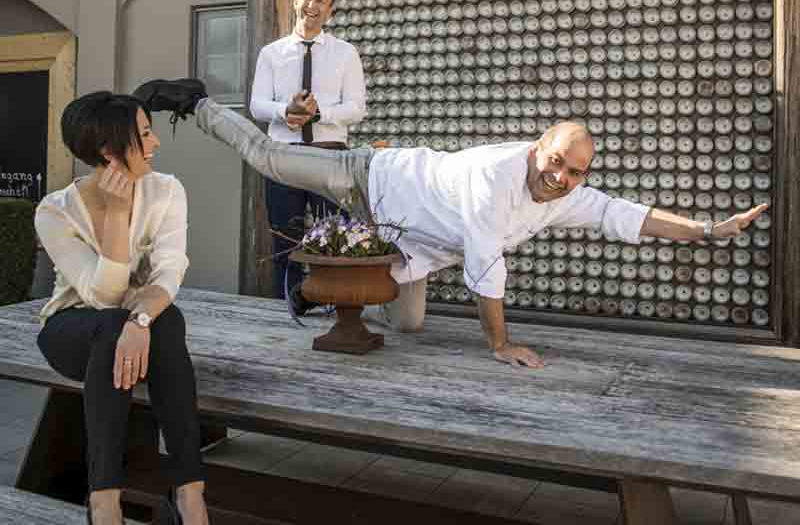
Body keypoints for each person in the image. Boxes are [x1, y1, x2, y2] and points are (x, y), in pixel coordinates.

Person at [133, 79, 767, 370]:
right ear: (538, 147)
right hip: (368, 179)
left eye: (576, 173)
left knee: (406, 322)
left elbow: (628, 216)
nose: (563, 179)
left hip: (408, 236)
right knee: (270, 158)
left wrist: (707, 230)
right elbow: (486, 267)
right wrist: (498, 344)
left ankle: (320, 298)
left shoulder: (566, 192)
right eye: (555, 162)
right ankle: (195, 101)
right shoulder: (497, 179)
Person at [35, 91, 209, 525]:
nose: (156, 144)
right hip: (71, 329)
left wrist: (142, 317)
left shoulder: (167, 191)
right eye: (145, 134)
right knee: (118, 323)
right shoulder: (55, 212)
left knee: (166, 321)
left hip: (133, 325)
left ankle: (189, 495)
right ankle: (109, 501)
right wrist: (115, 214)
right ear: (109, 150)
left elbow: (169, 275)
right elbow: (101, 297)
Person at [249, 0, 366, 309]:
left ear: (329, 10)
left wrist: (317, 115)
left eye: (320, 1)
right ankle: (287, 308)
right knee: (284, 238)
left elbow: (357, 108)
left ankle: (338, 307)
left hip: (330, 156)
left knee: (339, 237)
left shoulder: (346, 54)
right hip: (283, 155)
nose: (311, 6)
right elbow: (257, 104)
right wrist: (286, 111)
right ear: (296, 2)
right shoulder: (271, 54)